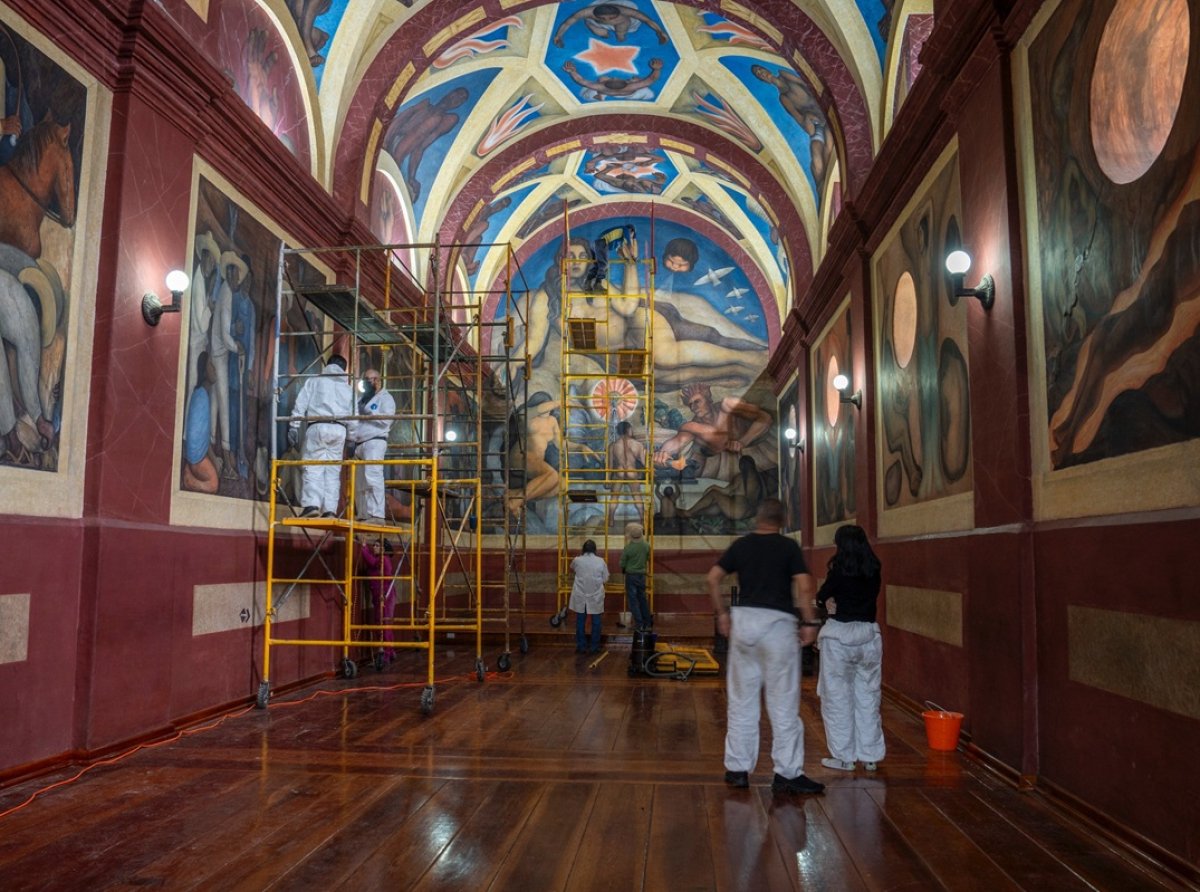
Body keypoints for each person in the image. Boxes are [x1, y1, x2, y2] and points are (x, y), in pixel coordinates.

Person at [706, 498, 824, 795]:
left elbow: (713, 578)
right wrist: (809, 622)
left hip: (744, 623)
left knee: (742, 700)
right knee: (783, 703)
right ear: (782, 521)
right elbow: (805, 584)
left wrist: (722, 614)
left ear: (757, 519)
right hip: (778, 627)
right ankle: (787, 773)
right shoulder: (788, 548)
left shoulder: (741, 546)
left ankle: (737, 769)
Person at [816, 524, 884, 772]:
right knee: (868, 697)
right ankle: (870, 756)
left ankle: (844, 757)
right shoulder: (874, 568)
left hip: (840, 639)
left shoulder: (839, 570)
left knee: (837, 699)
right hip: (869, 637)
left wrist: (826, 600)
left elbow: (822, 596)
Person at [654, 381, 776, 483]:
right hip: (720, 457)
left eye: (697, 401)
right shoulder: (694, 426)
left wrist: (743, 442)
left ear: (708, 399)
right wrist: (663, 453)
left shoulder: (728, 407)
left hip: (762, 443)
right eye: (690, 404)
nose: (693, 407)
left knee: (728, 403)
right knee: (689, 426)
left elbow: (765, 418)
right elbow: (679, 440)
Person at [288, 353, 353, 518]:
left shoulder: (315, 381)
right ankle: (330, 510)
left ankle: (311, 505)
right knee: (332, 471)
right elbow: (354, 415)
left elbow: (300, 403)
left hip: (318, 426)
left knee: (313, 466)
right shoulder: (348, 389)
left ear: (328, 365)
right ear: (344, 369)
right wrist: (352, 437)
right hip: (340, 430)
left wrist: (294, 426)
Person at [350, 367, 395, 523]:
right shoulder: (360, 399)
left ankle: (376, 514)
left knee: (373, 476)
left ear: (377, 380)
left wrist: (369, 414)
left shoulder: (386, 398)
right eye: (365, 380)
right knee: (360, 482)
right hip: (359, 443)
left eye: (370, 380)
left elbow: (387, 420)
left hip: (375, 441)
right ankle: (363, 514)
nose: (368, 383)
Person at [181, 352, 219, 494]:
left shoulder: (203, 394)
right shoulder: (201, 397)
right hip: (196, 458)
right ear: (204, 370)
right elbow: (194, 432)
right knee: (214, 485)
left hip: (198, 455)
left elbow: (202, 432)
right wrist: (196, 459)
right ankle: (190, 481)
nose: (214, 369)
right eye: (211, 365)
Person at [569, 539, 609, 654]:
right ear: (595, 550)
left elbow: (573, 568)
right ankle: (594, 646)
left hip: (580, 594)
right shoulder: (601, 561)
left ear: (583, 549)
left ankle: (581, 646)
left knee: (580, 620)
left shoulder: (577, 560)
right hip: (595, 595)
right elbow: (605, 578)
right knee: (596, 621)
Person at [359, 539, 396, 663]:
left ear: (383, 549)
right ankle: (390, 651)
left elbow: (370, 561)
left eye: (377, 545)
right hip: (380, 594)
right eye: (373, 545)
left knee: (383, 624)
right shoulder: (381, 559)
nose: (374, 547)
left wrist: (363, 547)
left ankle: (386, 653)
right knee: (384, 623)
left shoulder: (382, 559)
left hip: (384, 595)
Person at [607, 420, 646, 526]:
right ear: (628, 430)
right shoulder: (638, 445)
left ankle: (611, 520)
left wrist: (607, 479)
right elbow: (644, 463)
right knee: (637, 496)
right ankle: (642, 519)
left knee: (614, 497)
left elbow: (610, 465)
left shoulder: (613, 446)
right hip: (632, 471)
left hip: (619, 471)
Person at [620, 521, 651, 631]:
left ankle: (639, 623)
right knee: (642, 599)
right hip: (642, 575)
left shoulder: (628, 548)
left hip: (631, 576)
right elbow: (648, 558)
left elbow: (622, 563)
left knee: (633, 601)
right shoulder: (647, 545)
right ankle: (647, 623)